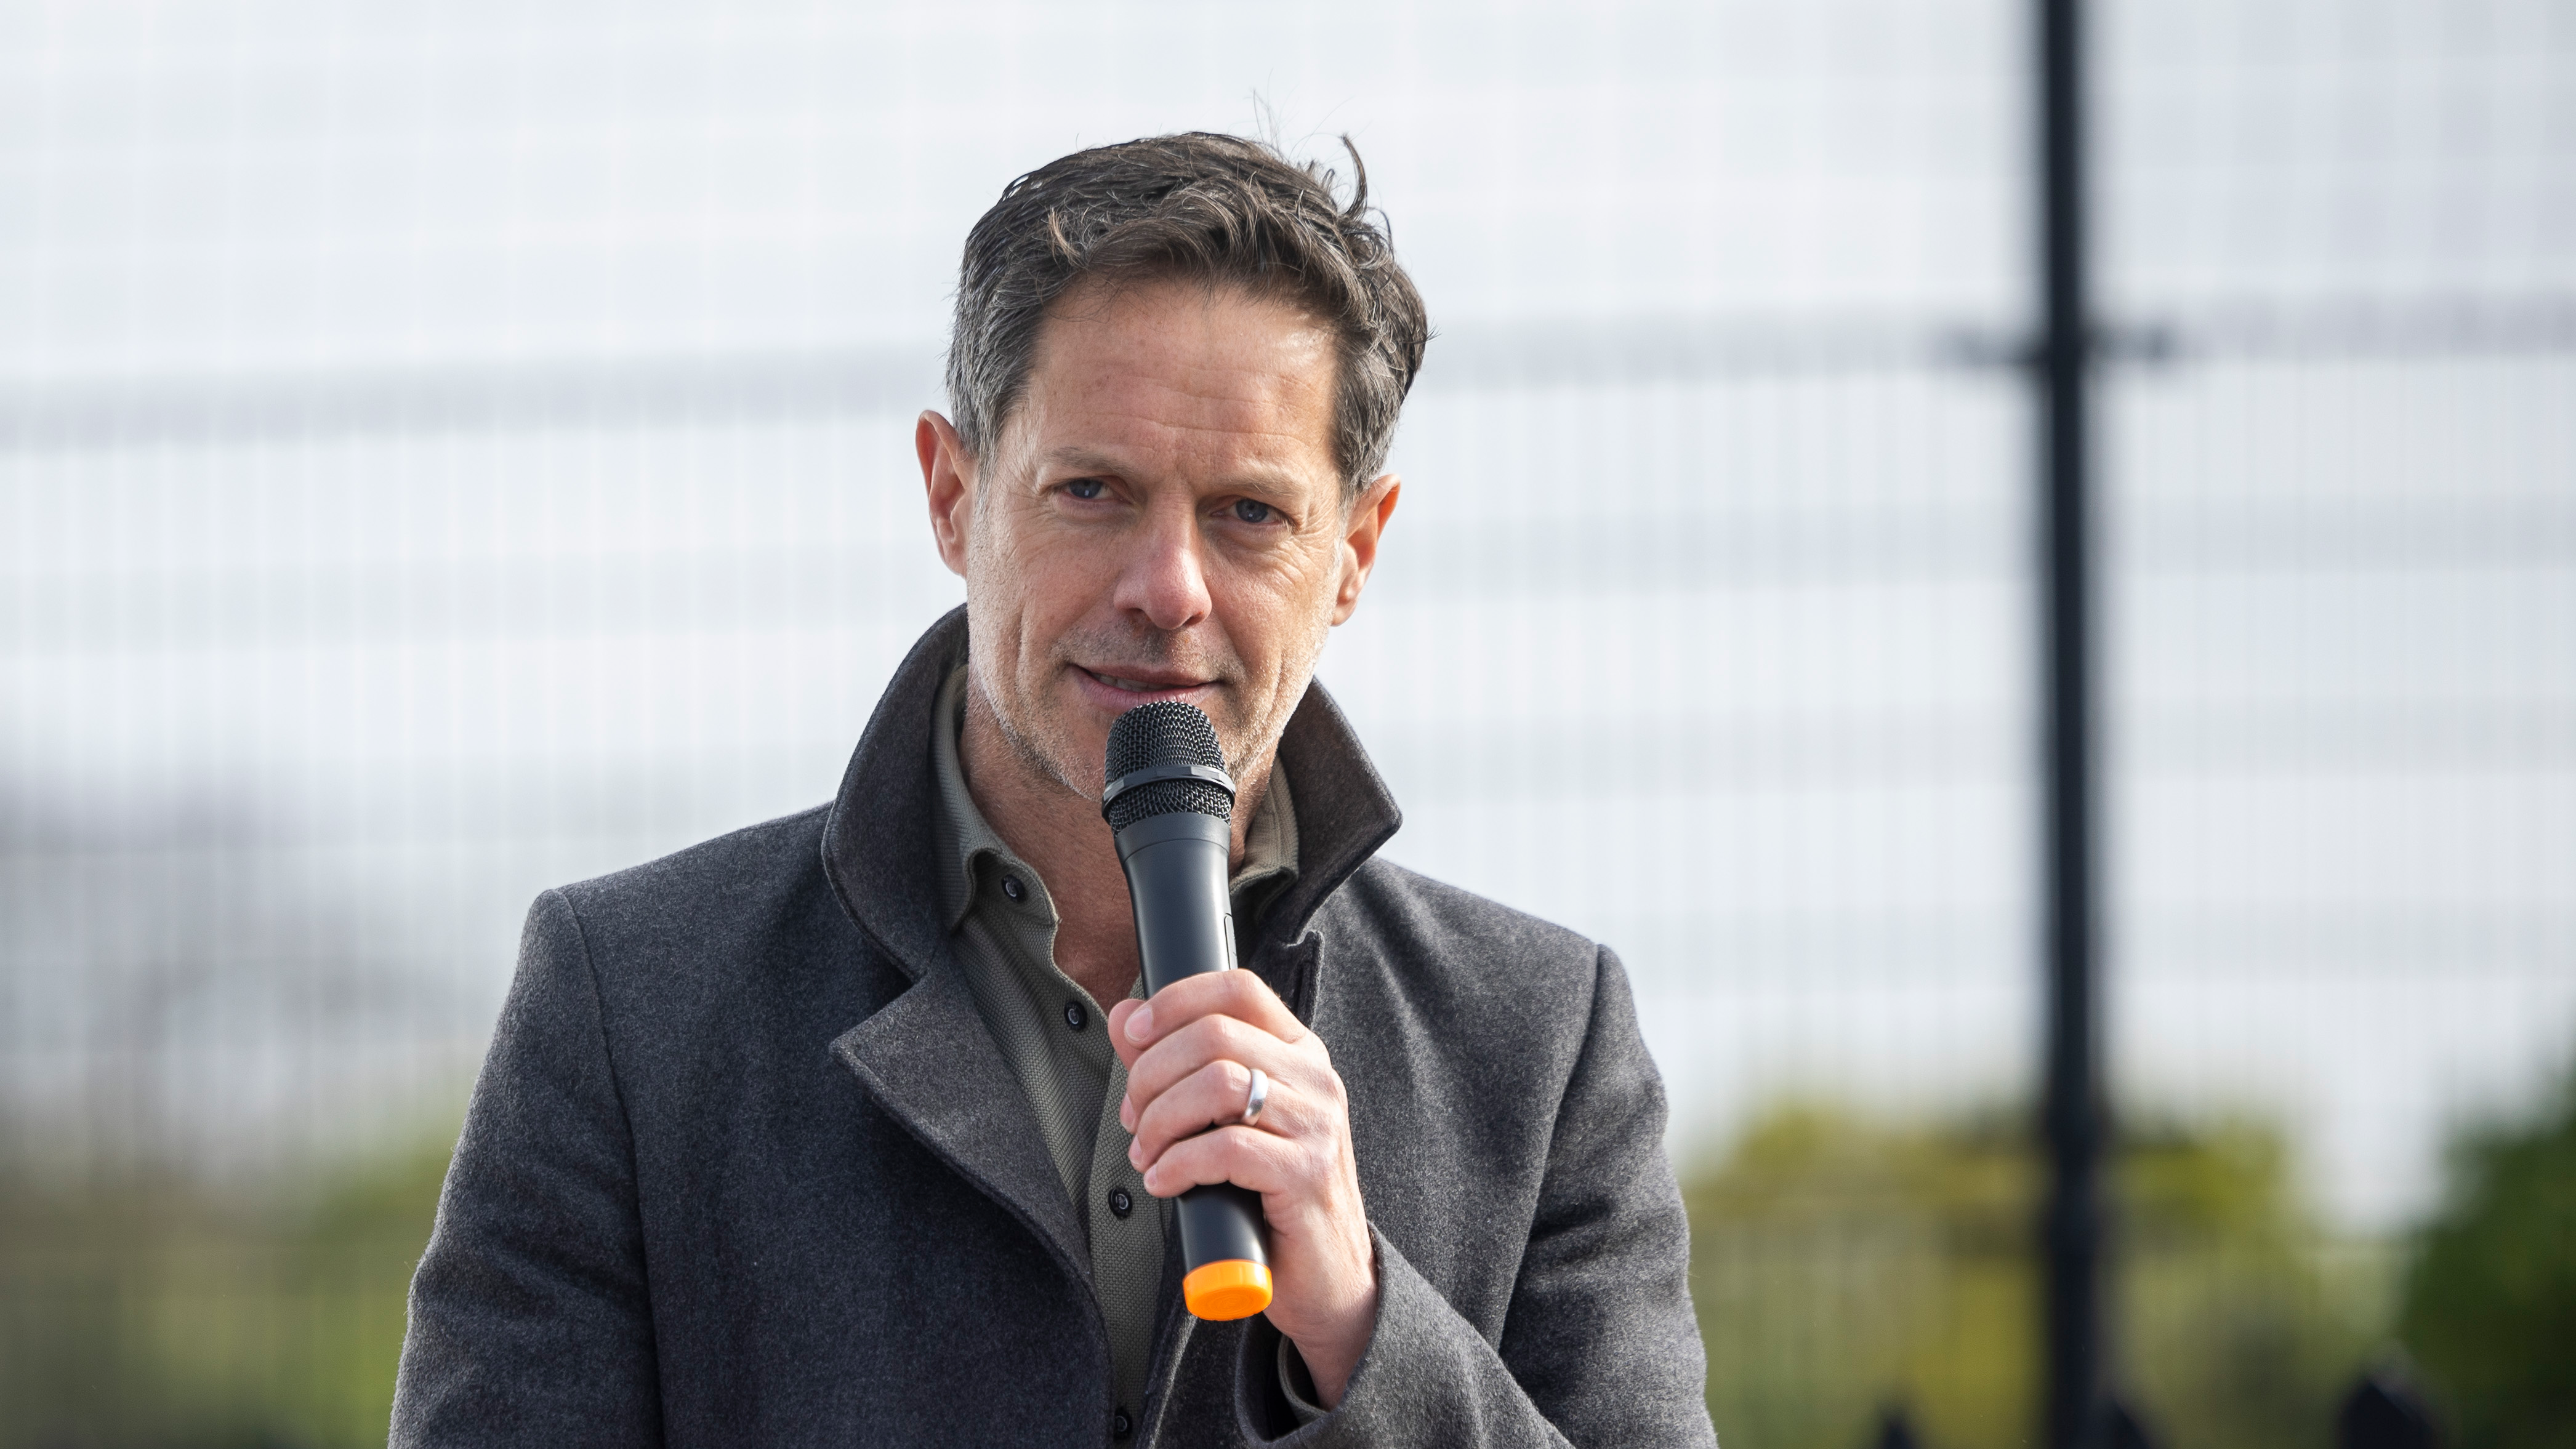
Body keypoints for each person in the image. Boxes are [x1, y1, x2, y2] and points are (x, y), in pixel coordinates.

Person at [392, 132, 1713, 1448]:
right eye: (1092, 491)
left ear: (1354, 553)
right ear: (952, 496)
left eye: (1250, 513)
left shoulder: (1539, 1046)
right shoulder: (631, 1005)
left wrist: (1362, 1324)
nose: (1170, 587)